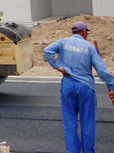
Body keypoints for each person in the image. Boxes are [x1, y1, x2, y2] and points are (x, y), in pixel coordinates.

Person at [43, 21, 114, 153]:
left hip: (68, 84)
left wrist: (58, 67)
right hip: (85, 86)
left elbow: (47, 51)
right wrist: (112, 84)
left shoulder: (63, 42)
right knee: (88, 122)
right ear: (84, 32)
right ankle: (88, 151)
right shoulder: (89, 47)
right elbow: (102, 72)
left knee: (70, 122)